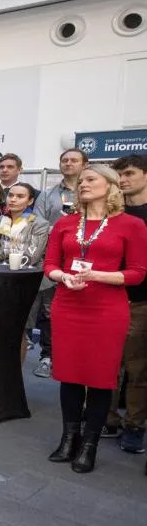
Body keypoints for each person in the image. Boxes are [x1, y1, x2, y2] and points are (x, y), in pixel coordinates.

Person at [43, 164, 147, 473]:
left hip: (107, 309)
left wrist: (97, 275)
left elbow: (138, 273)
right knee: (69, 374)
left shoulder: (131, 225)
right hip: (68, 305)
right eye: (81, 181)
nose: (83, 184)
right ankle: (69, 438)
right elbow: (50, 265)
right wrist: (64, 276)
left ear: (110, 185)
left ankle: (89, 445)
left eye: (91, 179)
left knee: (101, 378)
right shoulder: (65, 223)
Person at [31, 148, 88, 380]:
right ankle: (47, 357)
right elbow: (38, 223)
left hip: (85, 260)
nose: (68, 164)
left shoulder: (92, 191)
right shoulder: (48, 195)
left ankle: (75, 359)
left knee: (79, 312)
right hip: (53, 259)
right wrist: (63, 229)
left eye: (74, 160)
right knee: (49, 310)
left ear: (84, 164)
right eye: (64, 160)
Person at [0, 182, 50, 362]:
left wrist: (0, 251)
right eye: (11, 195)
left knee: (19, 332)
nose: (13, 199)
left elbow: (30, 257)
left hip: (24, 284)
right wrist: (12, 251)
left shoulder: (39, 224)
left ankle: (14, 372)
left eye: (20, 196)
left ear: (30, 201)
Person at [110, 155, 147, 455]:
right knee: (107, 364)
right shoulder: (111, 212)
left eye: (130, 173)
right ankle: (106, 418)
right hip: (107, 298)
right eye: (119, 174)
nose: (123, 179)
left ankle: (134, 425)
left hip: (141, 301)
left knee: (138, 369)